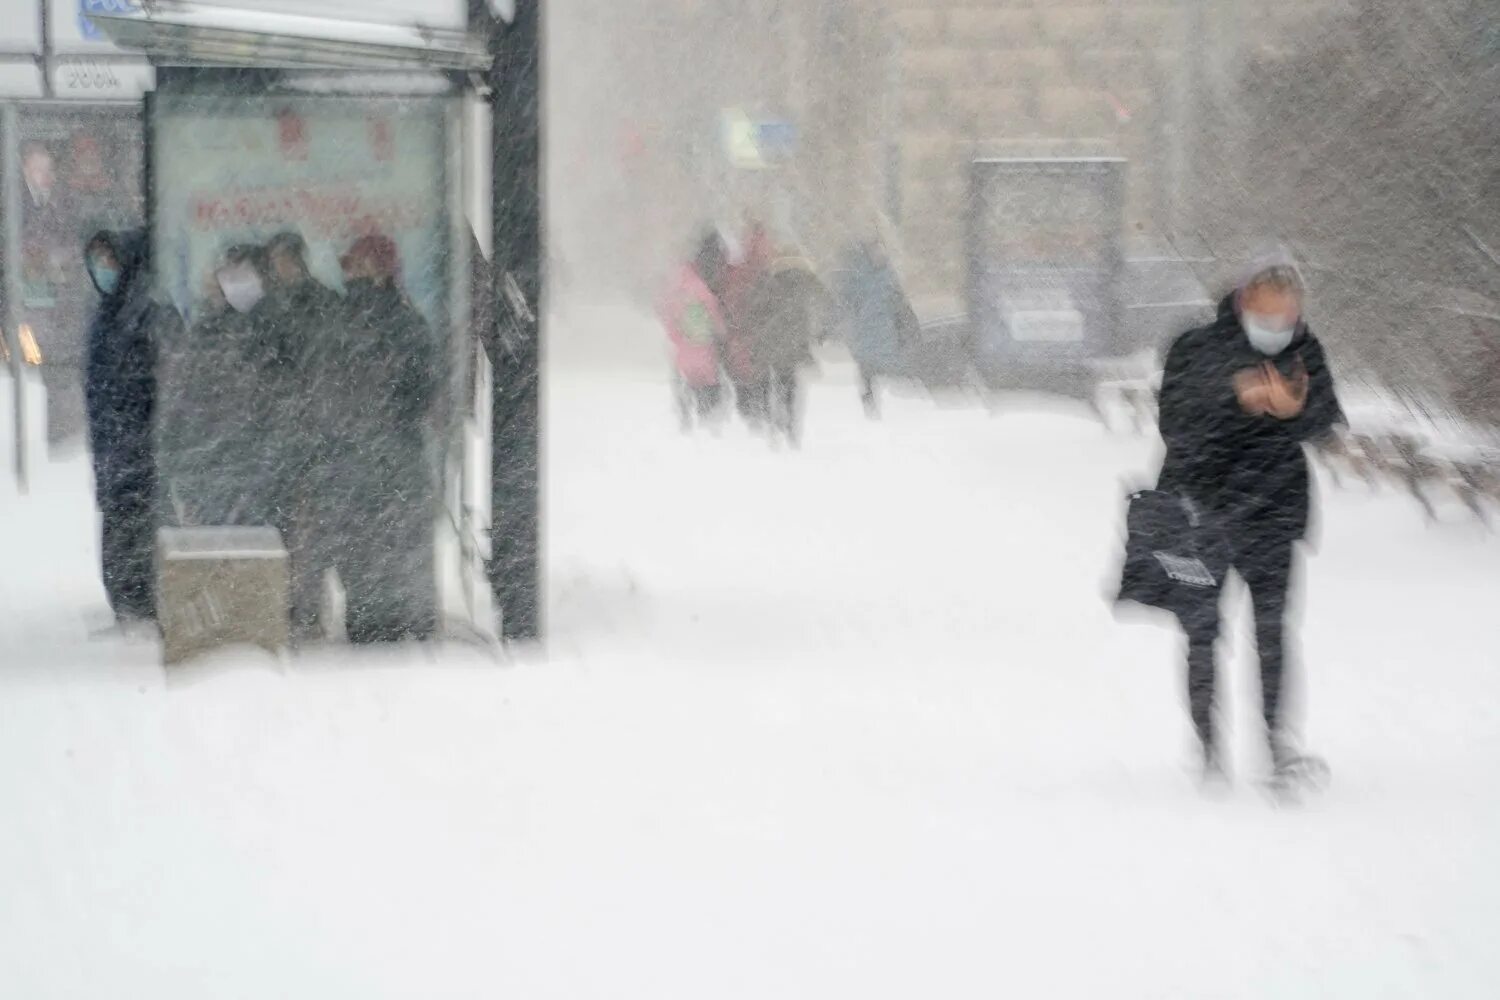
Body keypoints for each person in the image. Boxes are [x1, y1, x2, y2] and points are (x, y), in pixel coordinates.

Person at [1151, 247, 1345, 786]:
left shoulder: (1305, 350)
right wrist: (1234, 398)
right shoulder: (1195, 347)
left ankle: (1279, 742)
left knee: (1272, 631)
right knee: (1202, 632)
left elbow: (1327, 420)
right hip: (1201, 510)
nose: (1279, 320)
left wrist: (1296, 411)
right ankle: (1208, 745)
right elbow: (1175, 423)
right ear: (1243, 299)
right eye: (1268, 306)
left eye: (1288, 309)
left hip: (1274, 512)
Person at [316, 233, 439, 643]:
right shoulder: (403, 321)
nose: (348, 270)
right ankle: (402, 618)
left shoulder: (343, 322)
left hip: (366, 458)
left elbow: (327, 390)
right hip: (386, 456)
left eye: (356, 263)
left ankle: (377, 620)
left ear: (379, 270)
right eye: (348, 263)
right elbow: (422, 392)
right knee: (391, 542)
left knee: (368, 544)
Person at [258, 231, 343, 638]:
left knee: (310, 526)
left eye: (283, 260)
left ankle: (306, 606)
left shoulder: (316, 306)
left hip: (312, 435)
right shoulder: (275, 309)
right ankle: (297, 604)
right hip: (291, 436)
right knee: (292, 527)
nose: (279, 268)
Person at [83, 230, 161, 624]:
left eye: (110, 260)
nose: (104, 269)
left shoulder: (139, 313)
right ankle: (127, 601)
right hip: (114, 447)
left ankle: (138, 602)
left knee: (133, 523)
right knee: (119, 523)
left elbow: (143, 385)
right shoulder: (108, 313)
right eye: (98, 261)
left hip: (135, 448)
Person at [834, 218, 917, 417]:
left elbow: (898, 300)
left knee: (876, 364)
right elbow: (846, 299)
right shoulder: (860, 274)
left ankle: (877, 401)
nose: (880, 254)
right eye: (876, 250)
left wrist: (907, 319)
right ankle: (870, 404)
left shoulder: (885, 274)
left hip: (880, 329)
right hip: (866, 329)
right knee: (867, 367)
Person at [742, 253, 823, 446]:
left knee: (776, 382)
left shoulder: (770, 281)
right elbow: (824, 300)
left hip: (775, 342)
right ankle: (790, 426)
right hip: (795, 342)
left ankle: (777, 422)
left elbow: (754, 309)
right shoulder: (806, 281)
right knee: (790, 384)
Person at [659, 232, 728, 429]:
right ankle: (707, 419)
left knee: (687, 381)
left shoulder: (676, 292)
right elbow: (715, 318)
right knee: (707, 383)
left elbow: (669, 319)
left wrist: (676, 338)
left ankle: (685, 418)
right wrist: (720, 333)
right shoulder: (702, 289)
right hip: (704, 347)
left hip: (684, 348)